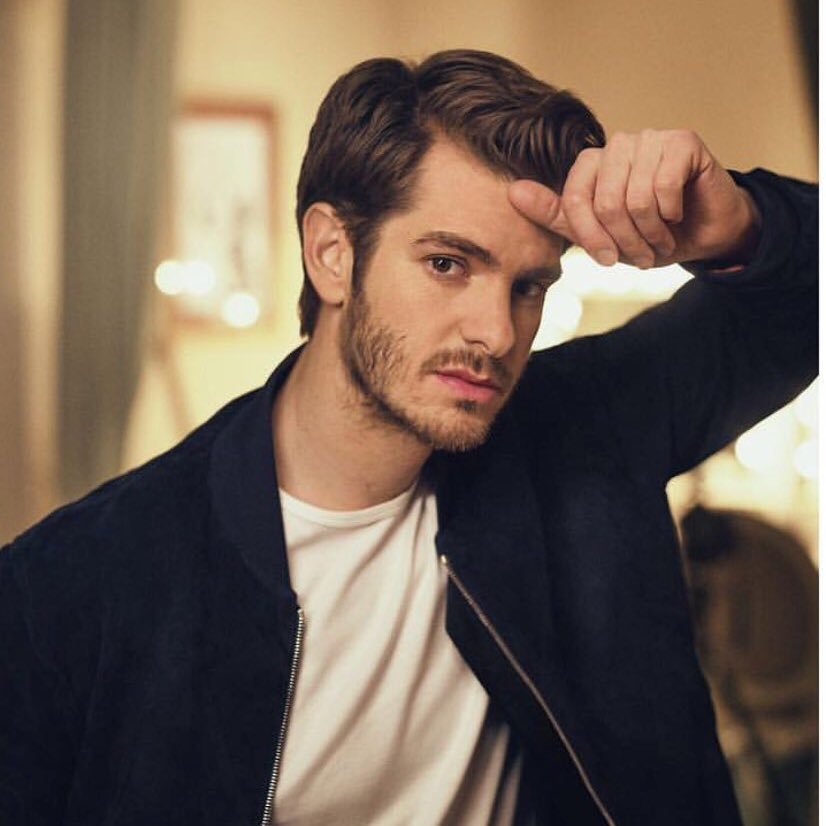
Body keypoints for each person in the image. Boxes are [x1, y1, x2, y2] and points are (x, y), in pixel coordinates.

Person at [0, 49, 817, 826]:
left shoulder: (584, 434)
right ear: (331, 253)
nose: (497, 332)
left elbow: (798, 312)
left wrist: (741, 224)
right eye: (448, 264)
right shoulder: (71, 590)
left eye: (528, 286)